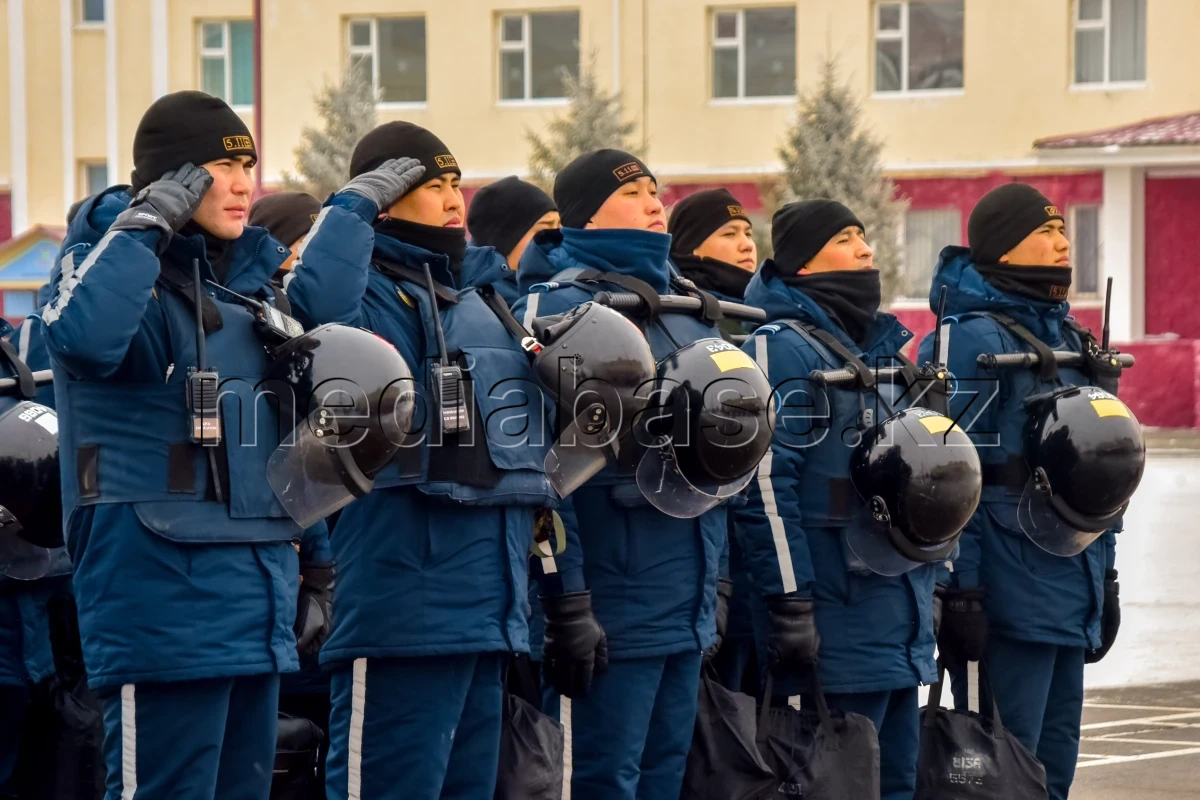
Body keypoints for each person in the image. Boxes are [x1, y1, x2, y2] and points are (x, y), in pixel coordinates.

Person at [283, 121, 559, 800]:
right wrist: (352, 208)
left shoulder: (483, 298)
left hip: (488, 614)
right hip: (398, 610)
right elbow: (318, 314)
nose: (453, 199)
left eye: (456, 183)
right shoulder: (368, 292)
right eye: (432, 185)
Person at [41, 90, 304, 800]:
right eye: (223, 166)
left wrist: (315, 566)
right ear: (174, 178)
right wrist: (144, 224)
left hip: (255, 601)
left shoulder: (247, 288)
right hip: (159, 602)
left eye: (250, 166)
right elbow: (85, 340)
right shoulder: (102, 262)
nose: (245, 184)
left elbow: (283, 442)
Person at [511, 149, 729, 800]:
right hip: (607, 606)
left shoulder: (686, 312)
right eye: (633, 192)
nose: (655, 203)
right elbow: (541, 474)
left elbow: (724, 462)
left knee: (664, 778)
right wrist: (565, 601)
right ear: (585, 214)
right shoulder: (556, 308)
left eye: (655, 190)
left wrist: (714, 585)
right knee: (598, 781)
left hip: (683, 603)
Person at [918, 183, 1125, 800]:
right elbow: (949, 475)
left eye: (1063, 230)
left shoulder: (1073, 339)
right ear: (1004, 249)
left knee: (1053, 768)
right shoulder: (971, 339)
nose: (1063, 243)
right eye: (1046, 232)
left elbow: (1102, 474)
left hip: (1069, 584)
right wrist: (962, 592)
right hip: (1005, 593)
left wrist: (1106, 578)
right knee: (998, 772)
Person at [734, 200, 939, 800]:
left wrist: (938, 584)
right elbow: (766, 485)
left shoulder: (884, 354)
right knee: (839, 785)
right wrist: (790, 604)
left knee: (896, 783)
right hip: (834, 618)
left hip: (899, 616)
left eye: (863, 236)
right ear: (803, 261)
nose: (866, 250)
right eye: (846, 238)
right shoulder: (781, 347)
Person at [247, 189, 335, 799]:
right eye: (302, 242)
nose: (307, 257)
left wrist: (322, 570)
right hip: (262, 569)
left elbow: (309, 465)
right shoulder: (255, 322)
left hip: (301, 570)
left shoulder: (300, 329)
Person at [667, 188, 759, 694]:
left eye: (748, 232)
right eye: (729, 233)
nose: (746, 243)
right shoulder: (689, 317)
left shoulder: (758, 316)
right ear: (692, 247)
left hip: (749, 549)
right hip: (706, 537)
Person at [466, 176, 560, 305]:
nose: (558, 238)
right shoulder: (480, 304)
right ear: (505, 239)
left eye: (560, 227)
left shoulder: (556, 287)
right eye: (544, 230)